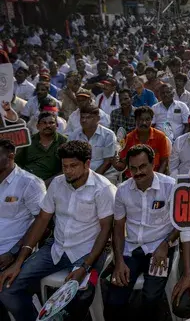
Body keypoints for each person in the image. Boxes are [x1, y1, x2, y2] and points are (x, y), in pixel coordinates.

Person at [0, 141, 115, 321]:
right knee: (8, 290)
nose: (68, 171)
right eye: (64, 166)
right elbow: (42, 220)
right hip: (56, 248)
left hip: (87, 251)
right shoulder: (57, 183)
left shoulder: (103, 188)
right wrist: (19, 261)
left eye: (73, 166)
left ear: (87, 164)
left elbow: (106, 229)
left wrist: (85, 266)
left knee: (79, 297)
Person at [105, 144, 179, 321]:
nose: (138, 173)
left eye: (143, 166)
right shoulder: (123, 190)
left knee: (151, 297)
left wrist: (166, 244)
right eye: (133, 168)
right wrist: (119, 260)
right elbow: (118, 227)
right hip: (131, 249)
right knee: (114, 299)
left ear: (153, 164)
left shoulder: (170, 187)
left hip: (160, 249)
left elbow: (181, 224)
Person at [0, 138, 46, 321]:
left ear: (11, 156)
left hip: (13, 253)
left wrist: (14, 252)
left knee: (7, 294)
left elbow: (42, 223)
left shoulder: (30, 183)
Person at [114, 106, 171, 176]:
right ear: (135, 120)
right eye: (140, 119)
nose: (144, 123)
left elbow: (164, 161)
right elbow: (123, 165)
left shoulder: (160, 136)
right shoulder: (128, 138)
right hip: (134, 177)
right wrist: (113, 160)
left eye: (147, 119)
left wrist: (157, 178)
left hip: (155, 176)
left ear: (151, 120)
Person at [15, 112, 68, 186]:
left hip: (53, 184)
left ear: (57, 125)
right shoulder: (28, 141)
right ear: (37, 126)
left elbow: (66, 168)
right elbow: (17, 163)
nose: (48, 125)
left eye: (51, 122)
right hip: (26, 183)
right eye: (44, 123)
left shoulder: (64, 142)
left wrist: (46, 184)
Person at [68, 104, 117, 180]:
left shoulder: (108, 135)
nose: (84, 120)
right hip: (79, 175)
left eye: (88, 117)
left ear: (98, 119)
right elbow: (70, 159)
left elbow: (107, 162)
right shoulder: (74, 135)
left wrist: (91, 179)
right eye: (82, 117)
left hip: (104, 175)